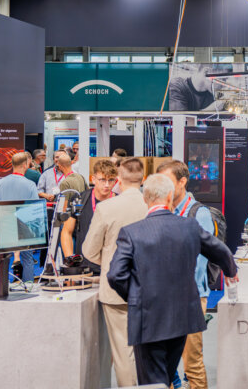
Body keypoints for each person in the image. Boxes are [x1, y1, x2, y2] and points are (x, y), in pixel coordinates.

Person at [107, 173, 238, 388]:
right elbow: (221, 252)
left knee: (152, 380)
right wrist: (231, 271)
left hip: (148, 318)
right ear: (169, 197)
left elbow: (115, 275)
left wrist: (137, 296)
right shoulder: (190, 227)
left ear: (145, 198)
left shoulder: (131, 233)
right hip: (182, 317)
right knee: (166, 375)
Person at [83, 157, 149, 388]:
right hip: (150, 288)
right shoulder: (153, 206)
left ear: (119, 179)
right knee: (149, 350)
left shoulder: (106, 208)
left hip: (116, 291)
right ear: (143, 179)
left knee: (123, 352)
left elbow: (89, 251)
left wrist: (112, 262)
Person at [157, 159, 219, 389]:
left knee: (192, 362)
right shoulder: (161, 211)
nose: (162, 187)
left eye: (167, 181)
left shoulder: (198, 214)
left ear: (182, 182)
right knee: (164, 363)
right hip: (163, 297)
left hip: (189, 298)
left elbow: (198, 263)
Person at [60, 159, 118, 275]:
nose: (107, 185)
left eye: (111, 180)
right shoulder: (79, 200)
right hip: (85, 267)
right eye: (102, 180)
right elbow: (66, 231)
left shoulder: (120, 202)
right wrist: (71, 261)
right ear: (93, 179)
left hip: (113, 266)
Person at [0, 151, 40, 282]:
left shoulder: (1, 183)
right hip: (24, 227)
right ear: (25, 165)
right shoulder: (30, 184)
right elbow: (34, 208)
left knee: (3, 258)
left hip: (5, 226)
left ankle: (2, 286)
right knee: (28, 259)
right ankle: (28, 286)